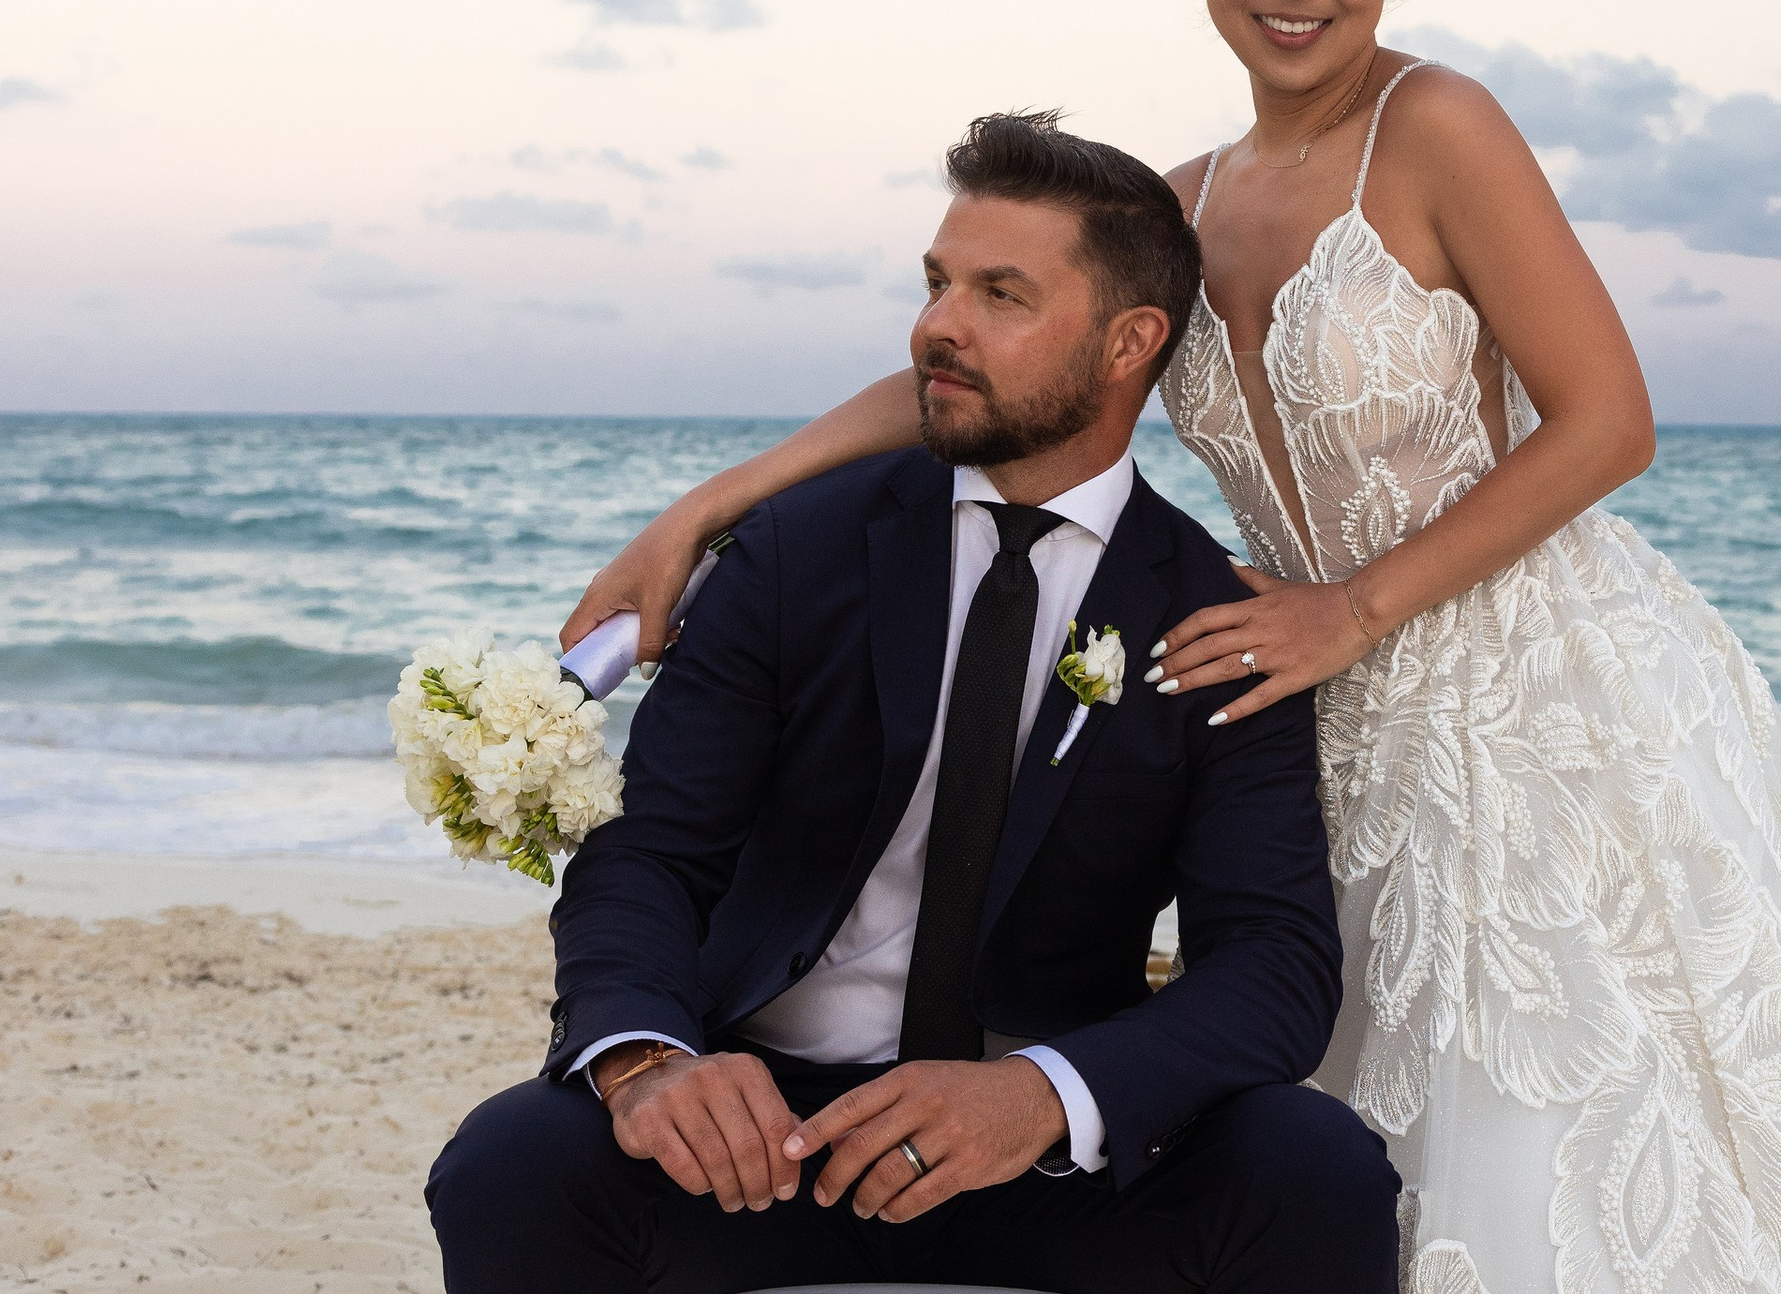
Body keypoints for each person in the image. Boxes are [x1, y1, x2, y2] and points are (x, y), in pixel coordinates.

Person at [566, 0, 1781, 1293]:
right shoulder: (1188, 199)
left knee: (1568, 1109)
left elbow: (1608, 419)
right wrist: (713, 503)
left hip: (1527, 690)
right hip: (1304, 693)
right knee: (1346, 1100)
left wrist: (1356, 605)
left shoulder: (1440, 126)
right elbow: (972, 363)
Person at [431, 113, 1400, 1294]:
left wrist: (1048, 1093)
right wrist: (648, 1061)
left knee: (1314, 1169)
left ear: (1126, 343)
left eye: (1001, 294)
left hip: (1044, 1150)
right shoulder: (797, 552)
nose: (937, 325)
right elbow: (653, 856)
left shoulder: (1212, 618)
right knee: (509, 1163)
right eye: (938, 282)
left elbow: (1272, 962)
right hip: (766, 1134)